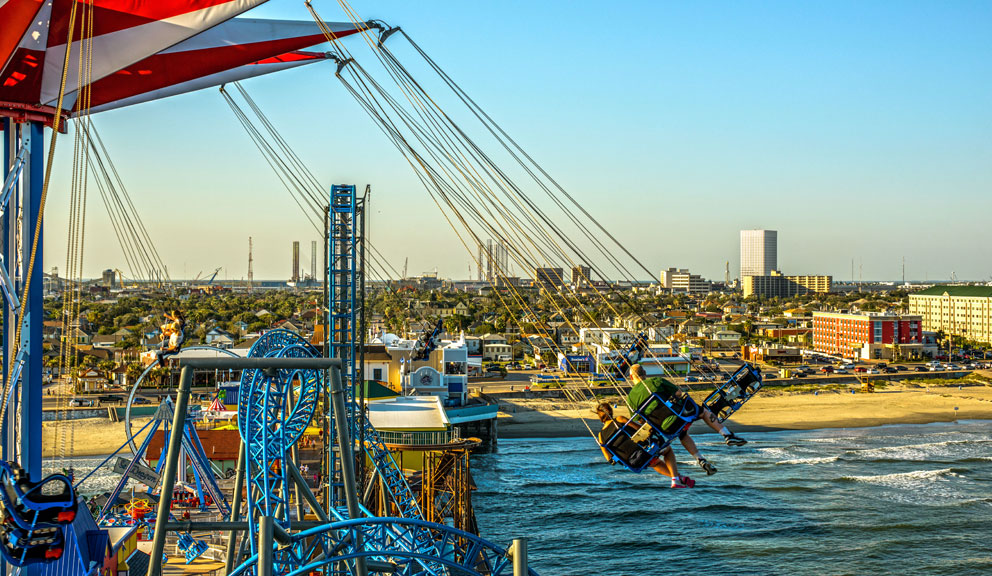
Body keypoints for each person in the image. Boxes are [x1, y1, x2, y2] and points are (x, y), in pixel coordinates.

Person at [628, 364, 747, 476]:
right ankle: (726, 435)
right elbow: (679, 393)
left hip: (664, 429)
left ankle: (700, 460)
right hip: (678, 416)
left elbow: (640, 420)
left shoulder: (630, 399)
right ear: (644, 372)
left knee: (682, 434)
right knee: (703, 411)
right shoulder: (655, 381)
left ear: (631, 377)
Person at [596, 402, 695, 488]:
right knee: (667, 450)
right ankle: (675, 479)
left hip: (633, 462)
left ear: (600, 417)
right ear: (610, 411)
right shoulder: (619, 419)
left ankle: (679, 478)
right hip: (643, 451)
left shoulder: (600, 436)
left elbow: (608, 457)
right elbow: (639, 429)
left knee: (655, 463)